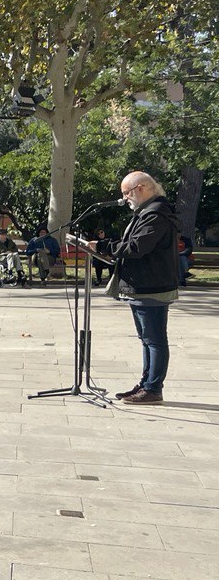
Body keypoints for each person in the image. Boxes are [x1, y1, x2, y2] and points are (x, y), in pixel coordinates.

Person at [109, 172, 180, 406]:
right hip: (143, 284)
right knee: (147, 338)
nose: (124, 198)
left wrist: (104, 246)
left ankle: (153, 388)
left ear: (140, 189)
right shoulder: (149, 211)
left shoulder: (156, 213)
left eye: (126, 193)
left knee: (154, 339)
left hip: (152, 285)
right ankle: (146, 383)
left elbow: (139, 246)